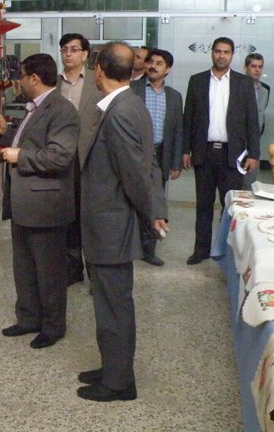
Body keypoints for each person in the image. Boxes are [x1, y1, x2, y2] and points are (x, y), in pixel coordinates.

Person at [77, 42, 169, 402]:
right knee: (109, 303)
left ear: (99, 69)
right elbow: (150, 163)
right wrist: (156, 209)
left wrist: (151, 215)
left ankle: (119, 383)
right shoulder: (130, 104)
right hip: (108, 224)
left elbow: (135, 174)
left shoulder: (120, 112)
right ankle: (112, 367)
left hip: (111, 226)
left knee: (113, 306)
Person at [0, 54, 79, 349]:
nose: (18, 82)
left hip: (46, 206)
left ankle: (52, 327)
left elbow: (60, 156)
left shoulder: (62, 110)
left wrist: (20, 156)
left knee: (49, 272)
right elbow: (28, 142)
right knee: (25, 267)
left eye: (22, 76)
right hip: (24, 204)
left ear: (34, 79)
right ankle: (28, 318)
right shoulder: (35, 107)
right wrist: (6, 133)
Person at [182, 37, 260, 265]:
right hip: (204, 153)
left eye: (226, 52)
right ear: (212, 53)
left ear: (232, 55)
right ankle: (201, 250)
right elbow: (188, 119)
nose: (221, 56)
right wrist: (186, 150)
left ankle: (225, 252)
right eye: (218, 51)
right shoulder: (197, 81)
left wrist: (254, 154)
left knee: (230, 207)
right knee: (203, 205)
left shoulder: (243, 83)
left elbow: (252, 122)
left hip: (232, 155)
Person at [55, 33, 104, 286]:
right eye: (64, 49)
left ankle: (97, 275)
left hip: (90, 158)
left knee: (91, 220)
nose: (68, 54)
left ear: (85, 54)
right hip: (60, 160)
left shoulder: (98, 81)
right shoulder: (54, 84)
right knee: (68, 217)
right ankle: (72, 270)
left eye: (74, 49)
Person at [129, 48, 183, 267]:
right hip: (134, 151)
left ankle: (148, 249)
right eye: (150, 62)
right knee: (132, 197)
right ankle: (130, 245)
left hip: (161, 153)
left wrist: (176, 162)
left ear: (167, 69)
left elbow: (178, 131)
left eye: (159, 63)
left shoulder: (174, 96)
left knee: (155, 201)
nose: (153, 66)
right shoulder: (132, 89)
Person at [243, 53, 271, 189]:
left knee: (250, 181)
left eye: (260, 67)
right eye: (253, 66)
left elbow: (260, 114)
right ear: (246, 67)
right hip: (237, 140)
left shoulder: (265, 90)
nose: (257, 70)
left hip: (254, 141)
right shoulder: (237, 87)